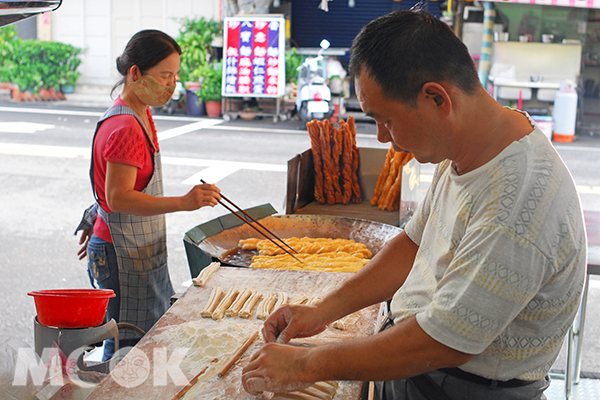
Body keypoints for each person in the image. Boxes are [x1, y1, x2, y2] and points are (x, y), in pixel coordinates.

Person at [241, 10, 587, 400]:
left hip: (464, 389)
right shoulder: (467, 149)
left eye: (385, 121)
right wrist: (322, 312)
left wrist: (307, 364)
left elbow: (444, 341)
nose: (383, 138)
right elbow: (413, 245)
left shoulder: (518, 201)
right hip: (418, 369)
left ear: (437, 98)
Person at [75, 29, 221, 361]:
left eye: (175, 76)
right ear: (135, 73)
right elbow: (119, 197)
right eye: (164, 75)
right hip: (119, 252)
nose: (172, 84)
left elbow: (107, 189)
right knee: (128, 343)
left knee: (142, 336)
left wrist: (94, 216)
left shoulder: (140, 111)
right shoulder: (125, 125)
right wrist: (184, 203)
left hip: (128, 243)